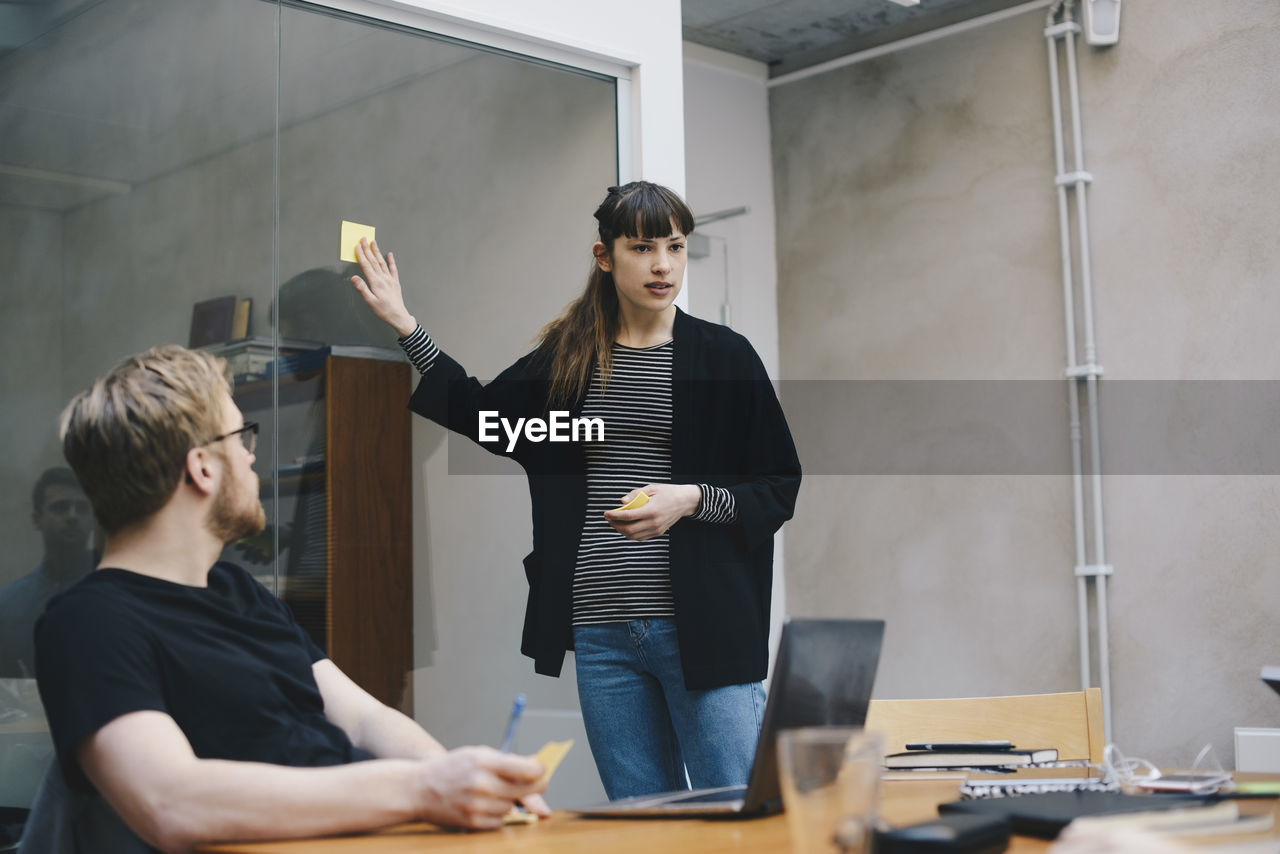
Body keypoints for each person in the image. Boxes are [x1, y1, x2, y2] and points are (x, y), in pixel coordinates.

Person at [351, 180, 802, 800]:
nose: (663, 264)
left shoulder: (724, 356)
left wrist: (691, 499)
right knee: (643, 822)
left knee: (735, 812)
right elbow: (484, 414)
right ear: (604, 256)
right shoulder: (569, 358)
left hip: (705, 625)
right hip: (601, 632)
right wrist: (405, 324)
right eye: (642, 247)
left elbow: (778, 485)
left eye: (674, 246)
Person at [33, 345, 549, 853]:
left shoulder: (241, 594)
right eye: (242, 436)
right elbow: (171, 802)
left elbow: (366, 719)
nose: (252, 455)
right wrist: (424, 791)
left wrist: (465, 787)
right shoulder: (88, 623)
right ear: (203, 468)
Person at [0, 467, 96, 678]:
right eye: (60, 507)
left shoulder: (115, 592)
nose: (72, 516)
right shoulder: (9, 607)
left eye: (82, 508)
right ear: (37, 519)